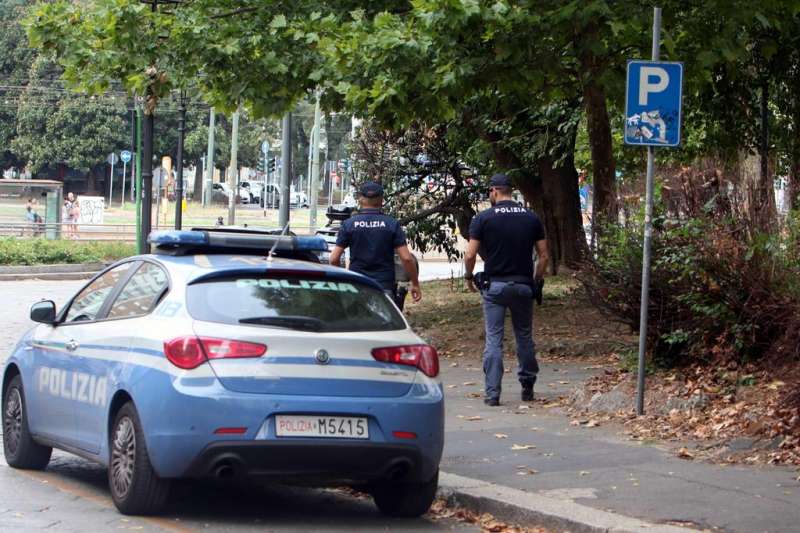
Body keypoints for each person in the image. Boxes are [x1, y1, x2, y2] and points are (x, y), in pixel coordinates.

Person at [463, 173, 549, 406]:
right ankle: (528, 387)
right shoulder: (531, 218)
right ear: (511, 191)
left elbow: (470, 254)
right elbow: (543, 256)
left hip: (495, 287)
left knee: (494, 340)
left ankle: (492, 394)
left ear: (494, 191)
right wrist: (536, 280)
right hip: (523, 285)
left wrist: (469, 276)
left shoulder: (484, 218)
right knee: (524, 337)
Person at [329, 181, 422, 305]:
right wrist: (415, 284)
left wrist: (339, 283)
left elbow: (334, 258)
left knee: (358, 322)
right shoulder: (391, 224)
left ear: (360, 199)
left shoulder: (349, 224)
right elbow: (406, 258)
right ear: (381, 200)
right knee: (384, 323)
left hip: (357, 285)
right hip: (384, 287)